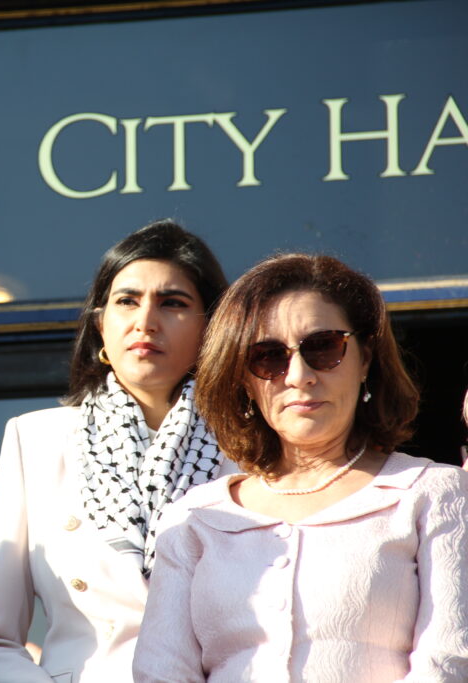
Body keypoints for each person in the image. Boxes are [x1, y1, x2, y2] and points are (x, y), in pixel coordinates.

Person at [133, 253, 468, 682]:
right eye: (268, 356)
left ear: (365, 358)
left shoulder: (435, 493)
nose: (298, 375)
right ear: (243, 381)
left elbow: (449, 660)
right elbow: (160, 672)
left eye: (324, 347)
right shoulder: (194, 518)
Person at [0, 220, 231, 682]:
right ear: (100, 323)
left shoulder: (254, 447)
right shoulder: (37, 441)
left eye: (173, 303)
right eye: (126, 301)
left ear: (212, 328)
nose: (145, 321)